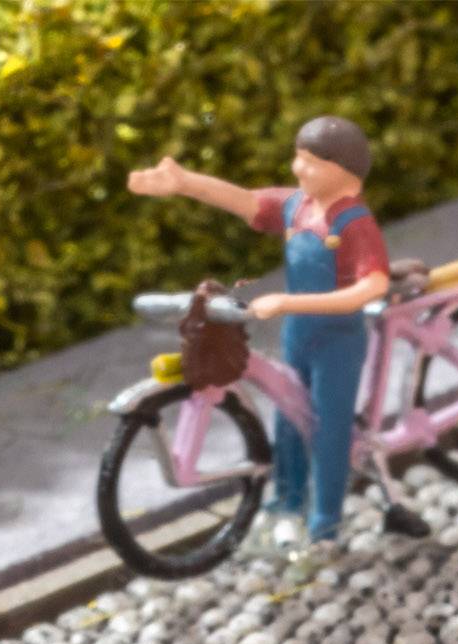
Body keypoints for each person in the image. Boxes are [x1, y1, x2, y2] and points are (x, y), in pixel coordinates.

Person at [127, 116, 389, 558]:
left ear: (343, 169)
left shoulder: (354, 224)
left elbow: (372, 287)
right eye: (297, 159)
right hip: (299, 336)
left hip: (337, 344)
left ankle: (325, 528)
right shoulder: (298, 207)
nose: (297, 170)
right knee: (288, 418)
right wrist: (183, 182)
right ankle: (286, 503)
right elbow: (246, 201)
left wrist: (289, 303)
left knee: (329, 430)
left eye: (310, 163)